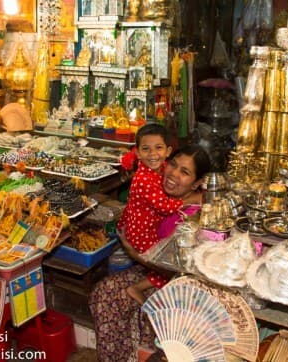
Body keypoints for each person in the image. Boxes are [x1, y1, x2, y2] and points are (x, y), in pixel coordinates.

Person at [89, 144, 211, 362]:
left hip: (177, 284)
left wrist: (133, 253)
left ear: (197, 183)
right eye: (173, 164)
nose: (173, 173)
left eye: (185, 172)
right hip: (153, 270)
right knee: (104, 292)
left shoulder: (191, 216)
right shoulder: (158, 189)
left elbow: (179, 270)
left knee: (119, 299)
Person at [119, 123, 201, 305]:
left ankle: (142, 287)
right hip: (141, 231)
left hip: (143, 225)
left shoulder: (161, 167)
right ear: (138, 153)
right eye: (146, 149)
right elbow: (163, 206)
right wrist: (190, 200)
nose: (153, 154)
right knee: (166, 266)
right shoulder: (144, 178)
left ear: (168, 151)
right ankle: (137, 288)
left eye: (158, 148)